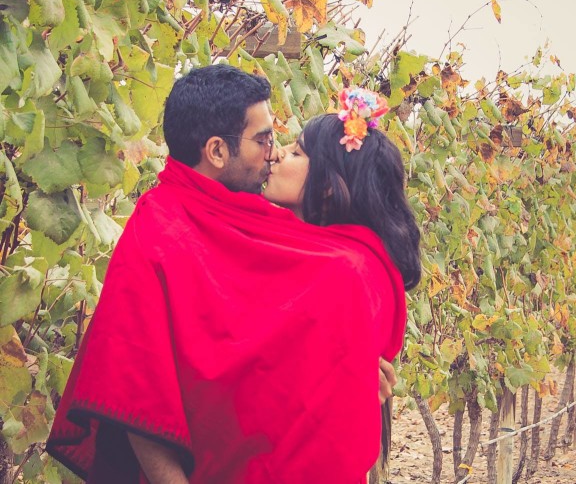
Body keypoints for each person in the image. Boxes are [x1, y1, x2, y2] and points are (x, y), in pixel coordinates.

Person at [46, 65, 420, 484]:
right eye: (264, 140)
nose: (274, 151)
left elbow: (282, 351)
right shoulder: (162, 228)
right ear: (218, 151)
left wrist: (346, 371)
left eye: (287, 146)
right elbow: (132, 383)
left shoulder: (281, 235)